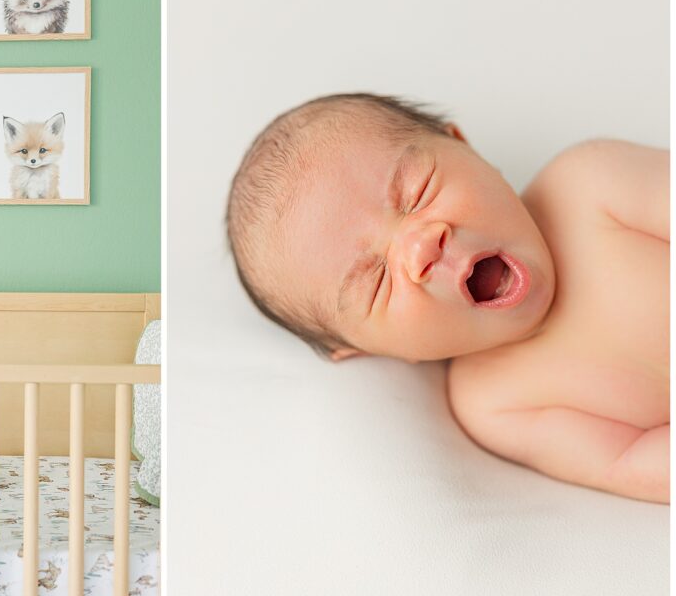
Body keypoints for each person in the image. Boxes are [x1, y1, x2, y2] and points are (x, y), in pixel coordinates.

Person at [227, 93, 669, 503]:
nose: (421, 247)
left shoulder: (589, 186)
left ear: (464, 147)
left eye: (416, 193)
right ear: (366, 348)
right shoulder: (494, 404)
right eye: (377, 281)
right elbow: (627, 460)